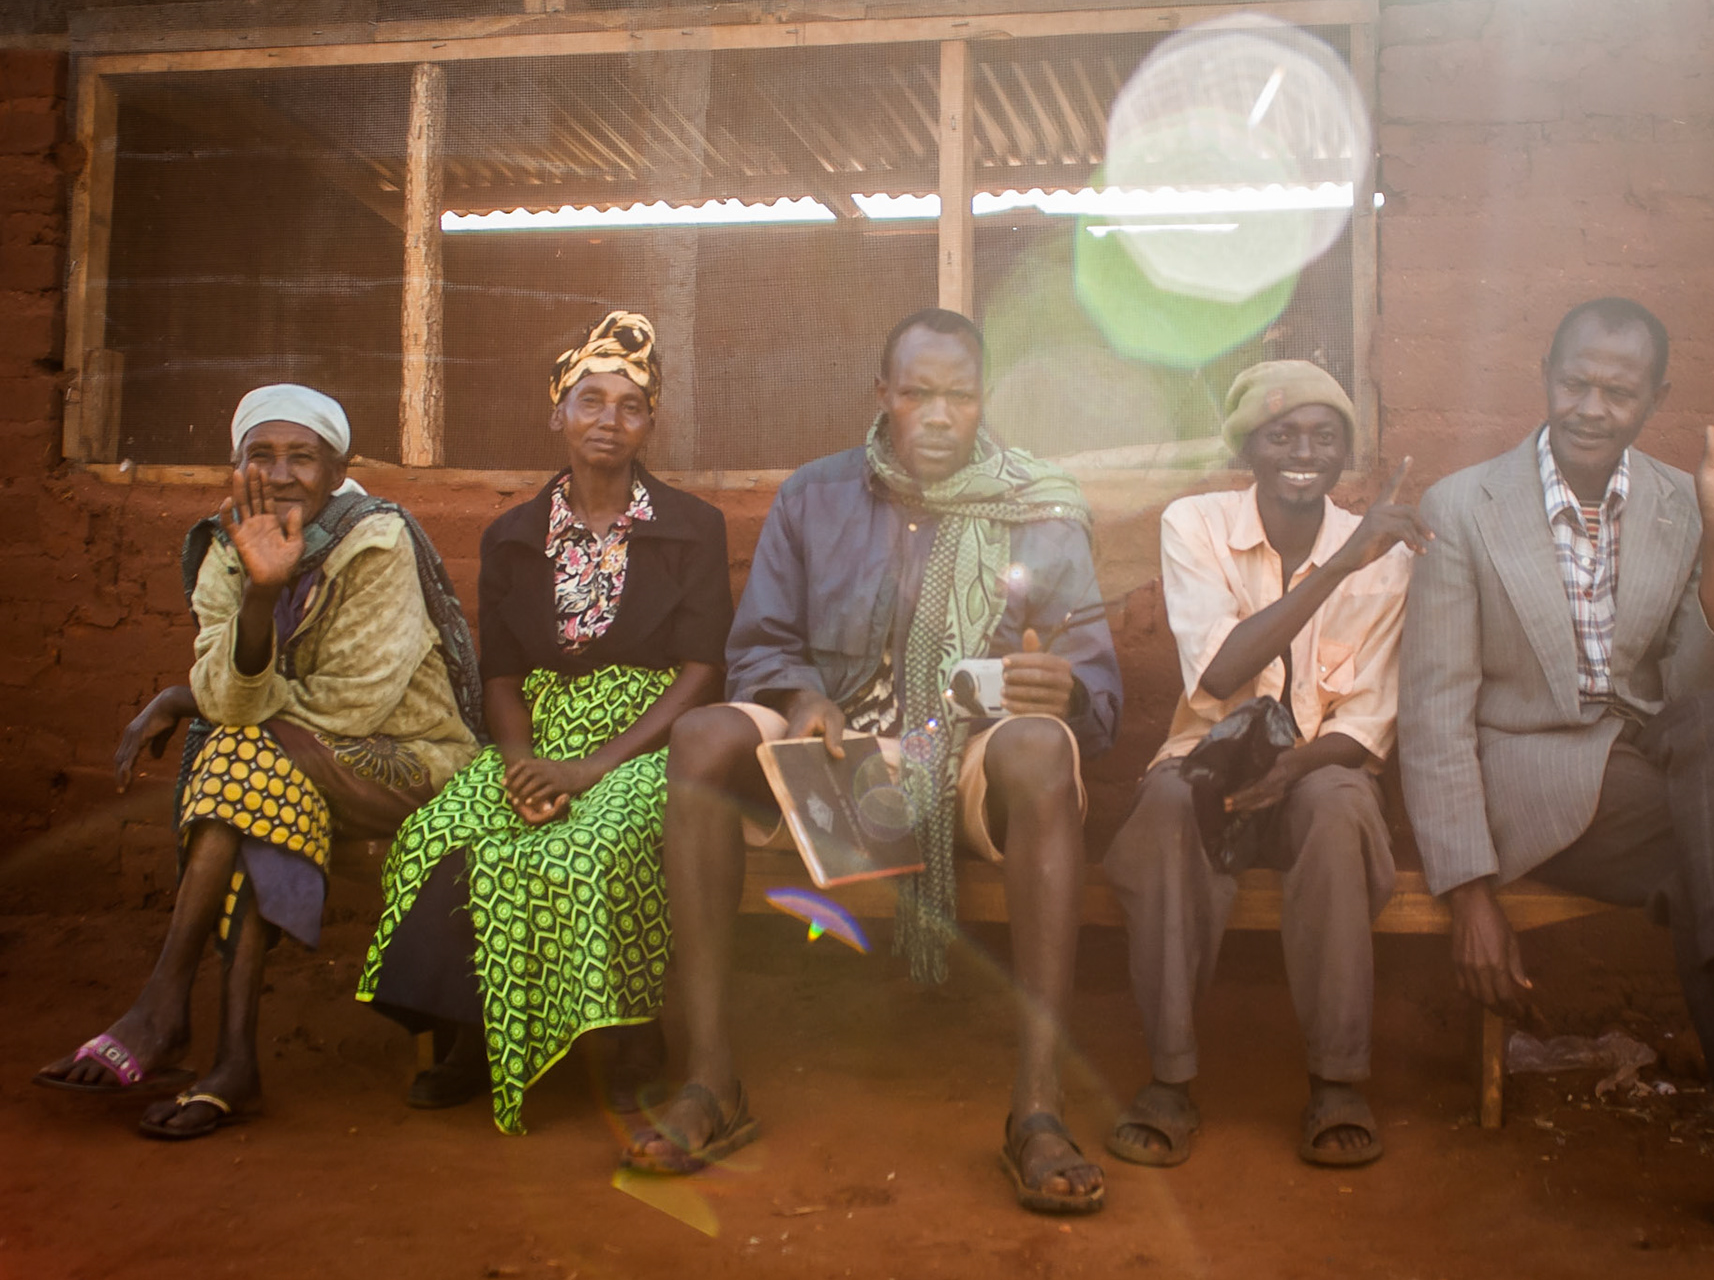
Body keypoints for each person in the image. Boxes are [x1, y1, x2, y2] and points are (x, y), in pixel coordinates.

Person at [1399, 298, 1714, 1270]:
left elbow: (1709, 692)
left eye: (1619, 392)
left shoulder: (1680, 501)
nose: (1591, 406)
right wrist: (1469, 890)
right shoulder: (1464, 506)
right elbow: (1433, 711)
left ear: (1654, 398)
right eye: (1575, 381)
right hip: (1533, 783)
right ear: (1546, 373)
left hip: (1663, 767)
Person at [624, 307, 1122, 1215]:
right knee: (700, 738)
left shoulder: (1039, 509)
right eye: (918, 394)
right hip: (838, 745)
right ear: (882, 397)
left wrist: (1066, 687)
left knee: (1045, 747)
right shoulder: (814, 497)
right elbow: (761, 644)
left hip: (968, 754)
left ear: (984, 403)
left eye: (960, 396)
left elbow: (1098, 677)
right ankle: (710, 1083)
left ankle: (1038, 1109)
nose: (939, 415)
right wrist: (803, 699)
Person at [34, 384, 482, 1140]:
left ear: (336, 470)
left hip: (413, 760)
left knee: (239, 753)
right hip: (291, 766)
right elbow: (235, 703)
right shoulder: (226, 546)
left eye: (301, 457)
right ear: (235, 466)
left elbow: (352, 707)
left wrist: (189, 698)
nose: (279, 474)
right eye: (260, 455)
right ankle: (230, 1058)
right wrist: (257, 596)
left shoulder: (377, 541)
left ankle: (165, 1004)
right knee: (249, 774)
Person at [356, 311, 732, 1135]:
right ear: (558, 412)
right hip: (539, 731)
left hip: (647, 733)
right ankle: (470, 1031)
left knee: (597, 841)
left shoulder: (691, 528)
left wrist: (592, 770)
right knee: (442, 835)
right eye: (590, 401)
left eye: (629, 406)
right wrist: (522, 762)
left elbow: (704, 672)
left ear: (650, 423)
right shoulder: (513, 537)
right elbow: (501, 674)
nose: (609, 420)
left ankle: (631, 1039)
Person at [1102, 362, 1428, 1171]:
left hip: (1323, 765)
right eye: (1281, 435)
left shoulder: (1389, 557)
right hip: (1210, 756)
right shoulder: (1196, 525)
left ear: (1345, 452)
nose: (1303, 453)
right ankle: (1170, 1079)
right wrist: (1341, 562)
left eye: (1325, 437)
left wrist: (1297, 768)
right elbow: (1217, 675)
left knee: (1340, 810)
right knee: (1167, 813)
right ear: (1249, 444)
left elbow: (1370, 718)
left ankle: (1337, 1080)